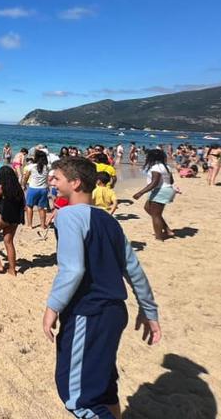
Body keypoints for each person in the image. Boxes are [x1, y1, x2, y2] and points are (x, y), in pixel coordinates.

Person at [44, 157, 161, 418]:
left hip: (89, 311)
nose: (51, 180)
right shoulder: (108, 220)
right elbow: (133, 269)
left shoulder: (68, 216)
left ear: (75, 183)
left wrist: (52, 308)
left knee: (79, 399)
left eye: (57, 178)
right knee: (103, 387)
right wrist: (148, 310)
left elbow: (73, 269)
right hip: (114, 312)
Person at [132, 149, 175, 240]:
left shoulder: (156, 167)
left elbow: (154, 183)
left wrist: (140, 193)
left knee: (156, 215)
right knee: (148, 208)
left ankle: (159, 237)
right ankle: (167, 230)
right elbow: (171, 181)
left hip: (160, 191)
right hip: (167, 189)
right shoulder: (166, 167)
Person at [22, 150, 50, 231]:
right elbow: (47, 178)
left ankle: (30, 225)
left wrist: (23, 185)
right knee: (42, 208)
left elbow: (26, 177)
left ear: (36, 158)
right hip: (43, 189)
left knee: (29, 206)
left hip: (33, 189)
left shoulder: (31, 166)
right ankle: (42, 225)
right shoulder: (47, 167)